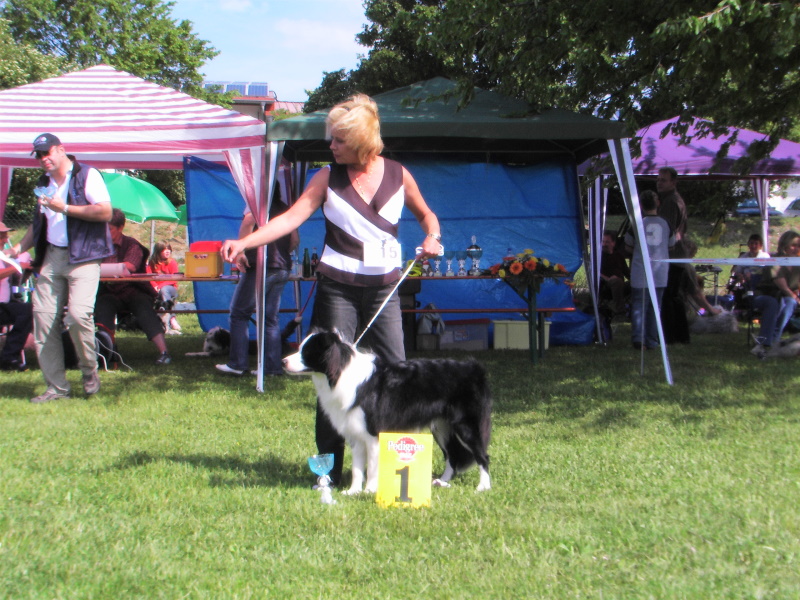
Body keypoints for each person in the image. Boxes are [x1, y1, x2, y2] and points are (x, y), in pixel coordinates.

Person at [221, 94, 442, 486]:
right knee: (330, 375)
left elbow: (427, 215)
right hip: (337, 289)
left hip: (385, 289)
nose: (331, 146)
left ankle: (398, 473)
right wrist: (246, 242)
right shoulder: (325, 177)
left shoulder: (399, 174)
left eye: (339, 140)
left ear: (360, 142)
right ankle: (327, 471)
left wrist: (433, 236)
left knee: (399, 376)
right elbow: (290, 218)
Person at [3, 134, 114, 403]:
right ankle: (57, 388)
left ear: (61, 150)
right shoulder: (44, 182)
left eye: (47, 153)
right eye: (39, 155)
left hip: (85, 256)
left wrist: (63, 207)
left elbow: (105, 212)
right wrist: (18, 249)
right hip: (52, 257)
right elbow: (39, 223)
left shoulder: (87, 175)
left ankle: (89, 371)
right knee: (42, 319)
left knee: (77, 316)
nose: (43, 159)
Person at [216, 192, 297, 377]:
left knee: (239, 313)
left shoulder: (255, 203)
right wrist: (281, 254)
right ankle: (272, 368)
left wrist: (241, 252)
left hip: (261, 265)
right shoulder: (286, 207)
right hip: (282, 266)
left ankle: (237, 364)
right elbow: (294, 240)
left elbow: (247, 222)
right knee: (270, 318)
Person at [95, 209, 171, 365]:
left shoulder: (132, 245)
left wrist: (102, 267)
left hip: (134, 290)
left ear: (121, 227)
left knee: (144, 309)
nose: (106, 234)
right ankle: (107, 351)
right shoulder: (98, 245)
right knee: (103, 306)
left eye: (109, 229)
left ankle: (164, 353)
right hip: (109, 292)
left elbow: (130, 266)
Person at [624, 191, 675, 349]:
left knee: (639, 305)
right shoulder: (666, 223)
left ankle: (638, 338)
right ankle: (652, 340)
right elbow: (672, 244)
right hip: (659, 271)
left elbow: (628, 245)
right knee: (655, 307)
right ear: (657, 203)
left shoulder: (637, 223)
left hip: (640, 270)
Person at [656, 167, 692, 343]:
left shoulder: (671, 202)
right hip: (676, 255)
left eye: (663, 180)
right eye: (658, 180)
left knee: (669, 296)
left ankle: (671, 336)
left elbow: (667, 230)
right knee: (674, 296)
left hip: (672, 255)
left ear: (673, 182)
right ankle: (681, 336)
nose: (659, 183)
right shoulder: (673, 200)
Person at [752, 230, 800, 357]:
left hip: (786, 298)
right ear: (785, 245)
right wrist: (796, 298)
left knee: (789, 302)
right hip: (765, 295)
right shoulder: (775, 261)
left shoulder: (797, 263)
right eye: (794, 245)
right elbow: (783, 287)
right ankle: (768, 341)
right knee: (775, 303)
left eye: (799, 246)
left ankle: (774, 340)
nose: (797, 249)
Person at [1, 221, 34, 371]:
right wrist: (16, 267)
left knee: (28, 310)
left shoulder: (3, 256)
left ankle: (9, 356)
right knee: (25, 311)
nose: (5, 240)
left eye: (5, 236)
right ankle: (9, 357)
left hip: (5, 305)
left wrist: (26, 272)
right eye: (1, 237)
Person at [146, 241, 181, 334]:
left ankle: (172, 318)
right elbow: (149, 277)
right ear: (158, 251)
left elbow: (174, 279)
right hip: (156, 289)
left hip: (170, 289)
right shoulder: (152, 262)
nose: (168, 251)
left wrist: (160, 286)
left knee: (164, 290)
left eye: (169, 250)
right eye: (165, 250)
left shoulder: (172, 262)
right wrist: (154, 286)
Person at [728, 233, 770, 302]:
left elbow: (766, 271)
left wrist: (752, 275)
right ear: (748, 244)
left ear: (760, 246)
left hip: (759, 281)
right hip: (744, 281)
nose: (753, 246)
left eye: (756, 244)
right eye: (751, 243)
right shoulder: (744, 257)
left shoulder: (765, 257)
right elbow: (736, 271)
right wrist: (740, 275)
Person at [599, 230, 630, 318]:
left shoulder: (619, 256)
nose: (604, 244)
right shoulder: (598, 257)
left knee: (637, 283)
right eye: (603, 242)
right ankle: (620, 311)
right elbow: (595, 272)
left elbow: (627, 272)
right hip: (605, 284)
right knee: (616, 281)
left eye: (607, 242)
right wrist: (608, 279)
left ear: (613, 243)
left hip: (621, 284)